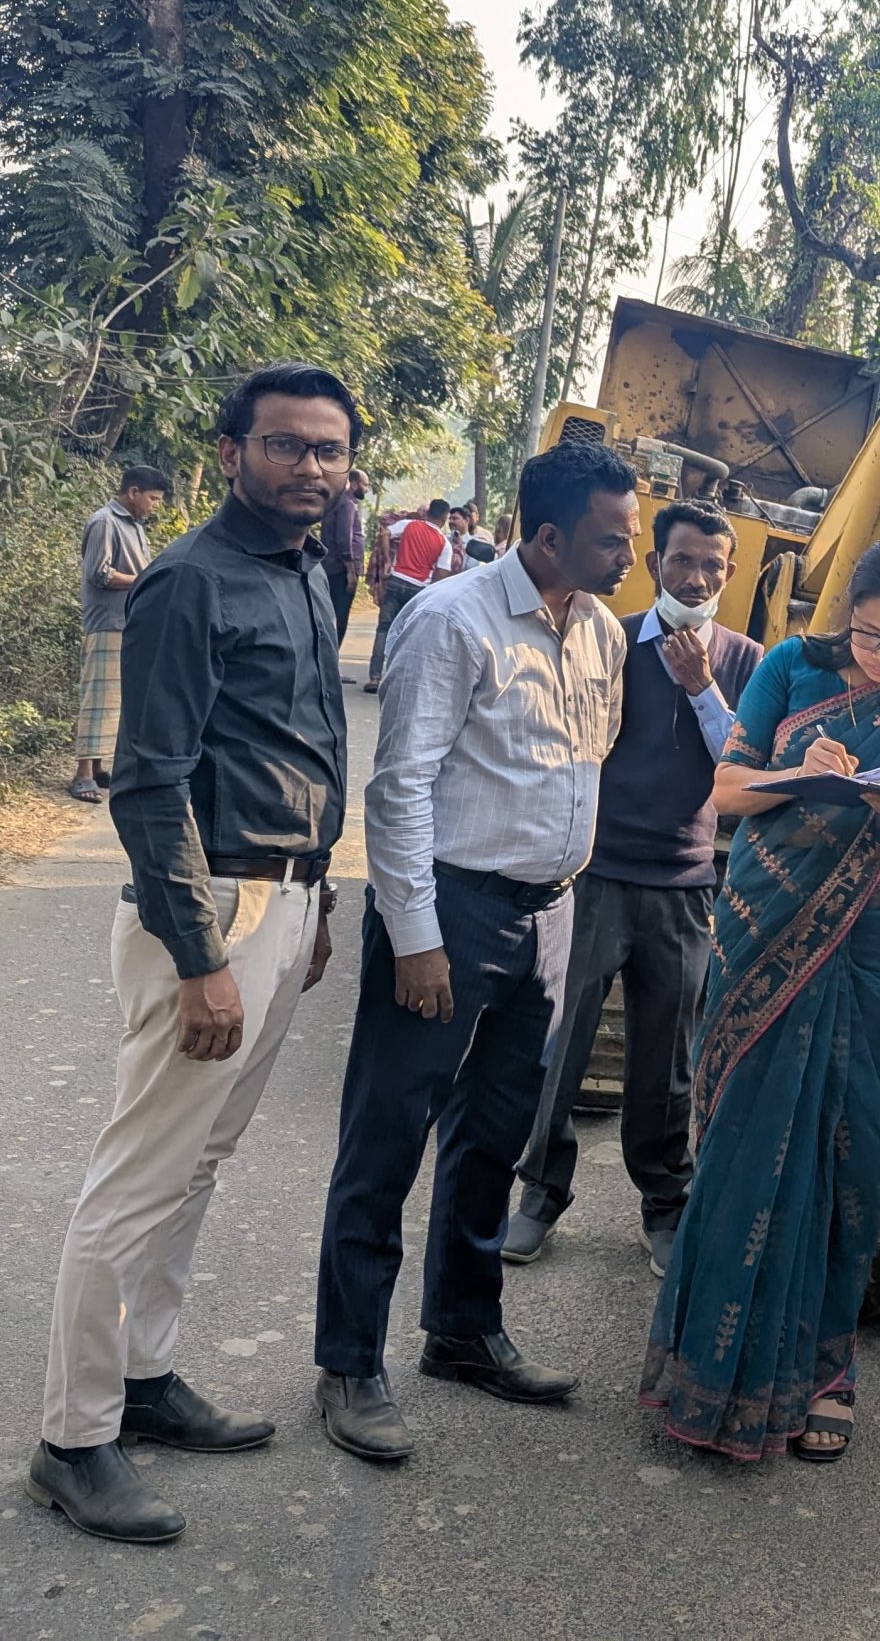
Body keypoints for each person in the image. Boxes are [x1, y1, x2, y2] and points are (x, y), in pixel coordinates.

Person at [28, 364, 356, 1545]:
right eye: (284, 446)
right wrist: (201, 949)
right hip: (207, 910)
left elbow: (301, 743)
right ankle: (73, 1436)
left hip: (281, 903)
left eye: (327, 448)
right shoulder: (188, 581)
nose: (309, 467)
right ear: (229, 454)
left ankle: (145, 1376)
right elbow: (152, 781)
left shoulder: (308, 568)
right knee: (137, 1177)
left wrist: (314, 906)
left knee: (198, 1162)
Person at [641, 535, 880, 1464]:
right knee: (743, 1147)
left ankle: (827, 1373)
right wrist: (804, 770)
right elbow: (726, 789)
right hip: (767, 929)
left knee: (851, 1154)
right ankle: (703, 1367)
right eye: (869, 635)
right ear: (847, 616)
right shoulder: (793, 666)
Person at [313, 440, 639, 1464]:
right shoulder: (450, 621)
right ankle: (349, 1362)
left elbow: (590, 758)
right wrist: (415, 936)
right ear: (548, 537)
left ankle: (461, 1326)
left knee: (491, 1137)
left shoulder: (602, 635)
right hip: (449, 910)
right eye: (609, 537)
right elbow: (399, 785)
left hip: (547, 916)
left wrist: (562, 906)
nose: (627, 554)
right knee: (388, 1136)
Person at [506, 502, 762, 1276]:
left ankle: (664, 1205)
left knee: (667, 1058)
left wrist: (702, 689)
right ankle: (539, 1195)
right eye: (682, 561)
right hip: (596, 873)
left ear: (730, 572)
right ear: (656, 565)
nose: (697, 577)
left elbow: (741, 770)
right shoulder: (607, 639)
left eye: (712, 565)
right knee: (561, 1042)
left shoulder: (748, 660)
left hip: (685, 884)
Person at [69, 465, 169, 804]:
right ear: (133, 493)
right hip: (106, 621)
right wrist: (144, 579)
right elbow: (99, 574)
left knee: (115, 698)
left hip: (128, 621)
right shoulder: (104, 522)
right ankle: (82, 774)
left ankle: (97, 768)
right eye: (152, 498)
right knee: (97, 698)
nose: (155, 505)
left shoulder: (134, 525)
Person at [366, 496, 453, 692]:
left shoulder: (410, 525)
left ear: (428, 512)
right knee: (406, 635)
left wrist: (388, 560)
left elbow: (385, 533)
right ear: (444, 518)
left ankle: (375, 677)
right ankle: (395, 680)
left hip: (396, 580)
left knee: (384, 629)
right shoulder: (443, 543)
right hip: (418, 591)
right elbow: (441, 576)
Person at [323, 467, 370, 638]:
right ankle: (331, 657)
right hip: (341, 569)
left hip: (330, 566)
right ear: (355, 484)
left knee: (331, 613)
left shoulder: (337, 502)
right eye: (365, 485)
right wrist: (350, 570)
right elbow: (344, 538)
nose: (366, 489)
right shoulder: (348, 505)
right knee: (340, 616)